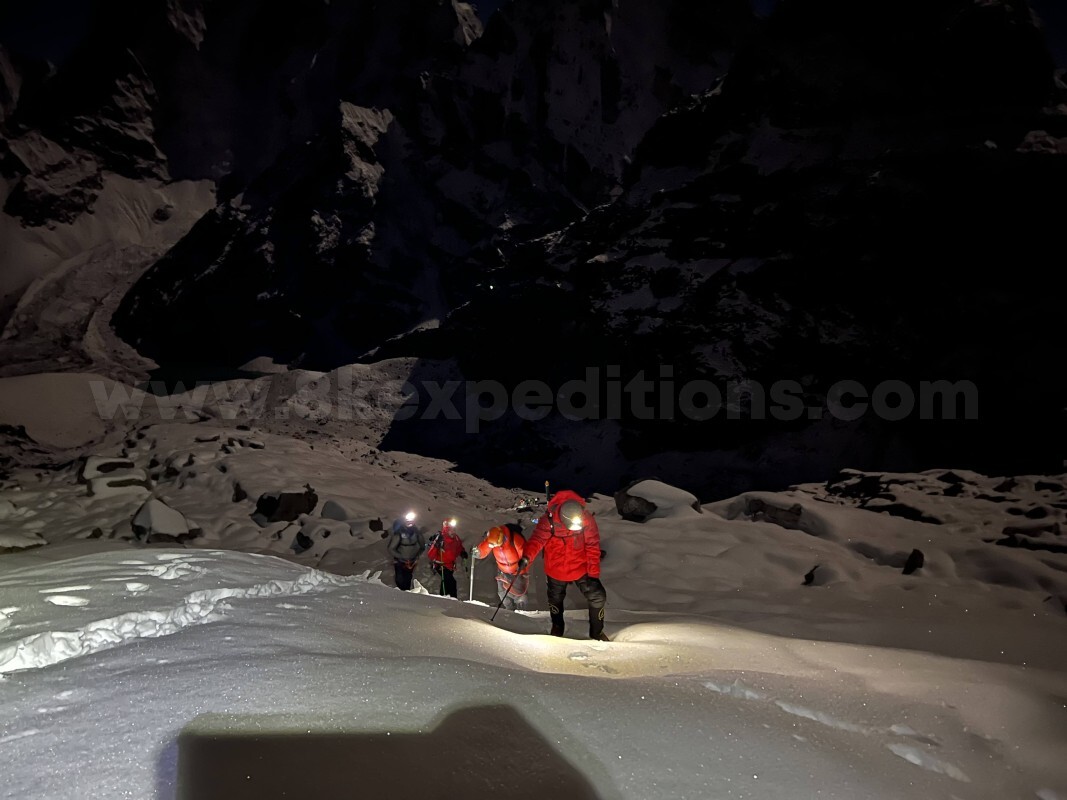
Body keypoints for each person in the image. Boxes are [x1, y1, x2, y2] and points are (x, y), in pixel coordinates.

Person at [518, 490, 608, 641]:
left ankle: (597, 632)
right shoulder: (549, 520)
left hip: (580, 568)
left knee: (598, 596)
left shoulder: (586, 518)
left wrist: (593, 575)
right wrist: (527, 557)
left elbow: (592, 546)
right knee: (555, 599)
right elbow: (537, 540)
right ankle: (557, 627)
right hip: (556, 569)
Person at [471, 523, 529, 610]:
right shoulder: (492, 539)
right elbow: (484, 549)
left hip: (517, 571)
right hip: (502, 570)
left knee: (519, 593)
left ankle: (521, 612)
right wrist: (478, 552)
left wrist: (523, 565)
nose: (494, 547)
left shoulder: (515, 539)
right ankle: (509, 610)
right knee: (502, 593)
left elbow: (526, 554)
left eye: (495, 545)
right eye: (492, 545)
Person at [427, 518, 468, 598]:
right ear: (447, 530)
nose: (453, 532)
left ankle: (444, 599)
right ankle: (452, 599)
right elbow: (430, 554)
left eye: (454, 530)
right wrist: (436, 546)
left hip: (450, 566)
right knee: (451, 582)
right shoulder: (441, 539)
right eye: (451, 530)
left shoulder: (456, 538)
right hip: (441, 565)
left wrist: (462, 552)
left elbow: (459, 547)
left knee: (445, 583)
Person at [387, 510, 426, 591]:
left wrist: (417, 555)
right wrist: (400, 556)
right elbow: (391, 548)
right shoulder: (399, 534)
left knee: (407, 579)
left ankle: (406, 595)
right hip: (400, 562)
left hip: (412, 561)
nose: (410, 523)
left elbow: (422, 546)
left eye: (411, 521)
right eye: (408, 521)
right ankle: (401, 595)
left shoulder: (416, 533)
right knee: (400, 580)